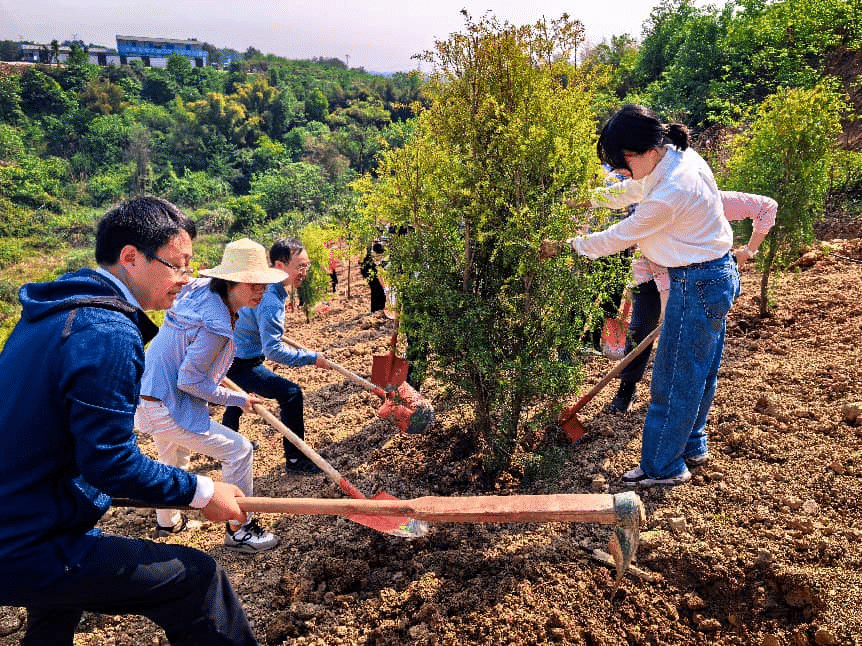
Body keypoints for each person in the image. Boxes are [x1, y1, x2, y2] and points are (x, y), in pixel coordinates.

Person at [0, 197, 259, 644]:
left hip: (30, 516)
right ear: (131, 257)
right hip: (25, 540)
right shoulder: (107, 331)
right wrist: (202, 491)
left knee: (56, 612)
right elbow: (111, 464)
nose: (186, 279)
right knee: (198, 581)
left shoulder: (52, 313)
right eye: (178, 266)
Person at [541, 104, 741, 487]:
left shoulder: (672, 189)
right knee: (700, 370)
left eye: (624, 161)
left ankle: (663, 467)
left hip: (697, 282)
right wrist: (588, 199)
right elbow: (633, 188)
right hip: (714, 275)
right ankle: (692, 444)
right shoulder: (674, 155)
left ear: (645, 150)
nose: (621, 170)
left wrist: (567, 246)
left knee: (674, 377)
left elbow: (620, 235)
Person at [136, 237, 285, 552]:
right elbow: (189, 381)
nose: (261, 290)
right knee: (239, 450)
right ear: (230, 282)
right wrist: (240, 400)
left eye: (263, 283)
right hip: (165, 403)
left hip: (149, 390)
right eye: (253, 283)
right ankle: (240, 529)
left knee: (173, 458)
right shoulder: (215, 326)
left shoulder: (201, 290)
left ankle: (168, 521)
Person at [607, 190, 778, 414]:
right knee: (640, 328)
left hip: (694, 277)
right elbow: (646, 254)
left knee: (684, 336)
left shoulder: (709, 200)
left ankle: (679, 393)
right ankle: (627, 388)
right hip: (650, 270)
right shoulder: (654, 204)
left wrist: (748, 251)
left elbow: (767, 207)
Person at [223, 237, 329, 475]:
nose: (304, 272)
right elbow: (273, 350)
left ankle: (228, 446)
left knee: (237, 399)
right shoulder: (270, 299)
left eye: (307, 266)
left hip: (233, 355)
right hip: (239, 362)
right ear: (279, 266)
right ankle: (295, 460)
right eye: (300, 266)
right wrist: (312, 358)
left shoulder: (270, 291)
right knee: (291, 394)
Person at [360, 241, 387, 313]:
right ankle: (376, 310)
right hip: (369, 274)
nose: (379, 256)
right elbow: (378, 273)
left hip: (371, 274)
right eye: (378, 255)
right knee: (377, 290)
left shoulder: (375, 257)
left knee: (378, 290)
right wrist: (384, 287)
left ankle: (378, 309)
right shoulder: (370, 259)